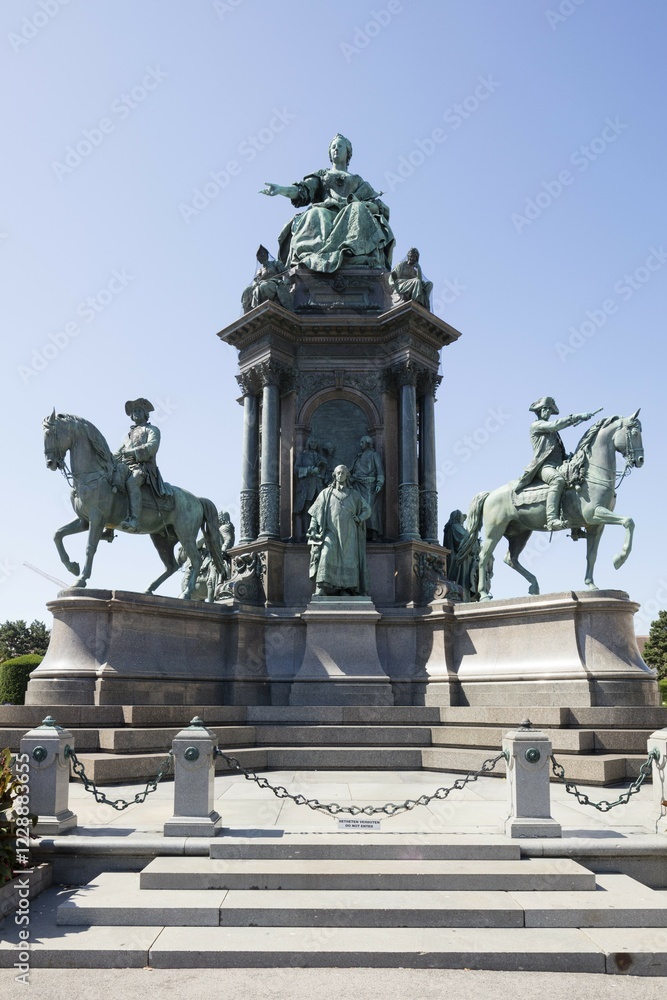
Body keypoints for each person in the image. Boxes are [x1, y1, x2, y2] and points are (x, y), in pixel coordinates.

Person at [260, 134, 395, 273]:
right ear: (330, 153)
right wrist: (281, 190)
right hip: (326, 211)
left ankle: (351, 251)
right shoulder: (322, 175)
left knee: (358, 208)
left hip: (351, 213)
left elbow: (375, 204)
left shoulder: (358, 181)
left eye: (340, 146)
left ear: (348, 152)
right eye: (333, 147)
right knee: (314, 213)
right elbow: (303, 190)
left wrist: (370, 207)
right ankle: (315, 257)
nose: (336, 149)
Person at [516, 397, 597, 531]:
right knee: (557, 480)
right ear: (539, 411)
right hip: (543, 466)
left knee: (576, 478)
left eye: (549, 409)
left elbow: (556, 450)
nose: (547, 411)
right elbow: (555, 425)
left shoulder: (553, 433)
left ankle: (575, 526)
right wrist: (577, 417)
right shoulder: (537, 426)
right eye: (545, 409)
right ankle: (552, 519)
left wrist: (570, 458)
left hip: (558, 465)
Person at [307, 464, 371, 596]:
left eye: (343, 473)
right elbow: (315, 513)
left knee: (349, 559)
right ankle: (322, 587)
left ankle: (345, 589)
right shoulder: (325, 493)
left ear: (347, 475)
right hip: (331, 531)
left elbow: (367, 509)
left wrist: (359, 518)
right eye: (338, 473)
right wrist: (313, 528)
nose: (340, 475)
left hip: (350, 533)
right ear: (334, 475)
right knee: (326, 554)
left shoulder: (355, 495)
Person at [114, 398, 169, 532]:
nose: (136, 413)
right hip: (125, 466)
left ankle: (135, 520)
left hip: (143, 467)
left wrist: (131, 452)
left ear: (145, 413)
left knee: (132, 482)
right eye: (134, 411)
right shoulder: (128, 435)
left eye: (139, 410)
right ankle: (109, 521)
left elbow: (151, 446)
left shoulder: (152, 430)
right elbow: (119, 452)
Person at [349, 435, 385, 541]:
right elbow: (352, 470)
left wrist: (379, 483)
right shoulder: (358, 457)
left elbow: (379, 470)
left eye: (362, 442)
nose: (360, 444)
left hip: (369, 486)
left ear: (368, 443)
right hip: (357, 485)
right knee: (358, 508)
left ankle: (373, 532)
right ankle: (361, 532)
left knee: (369, 508)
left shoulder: (374, 455)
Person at [241, 244, 292, 312]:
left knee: (263, 286)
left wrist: (285, 284)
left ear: (267, 254)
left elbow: (285, 274)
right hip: (261, 285)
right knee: (247, 290)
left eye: (263, 253)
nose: (262, 255)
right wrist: (253, 287)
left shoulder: (275, 263)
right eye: (260, 255)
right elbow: (255, 282)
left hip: (275, 283)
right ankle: (248, 311)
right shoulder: (259, 271)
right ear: (258, 259)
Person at [293, 437, 327, 540]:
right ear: (308, 443)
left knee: (321, 509)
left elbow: (326, 472)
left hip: (319, 486)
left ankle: (320, 532)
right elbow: (296, 470)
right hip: (307, 487)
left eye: (315, 442)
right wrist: (310, 470)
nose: (313, 444)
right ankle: (307, 532)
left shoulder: (321, 458)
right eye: (312, 442)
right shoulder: (302, 456)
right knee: (307, 509)